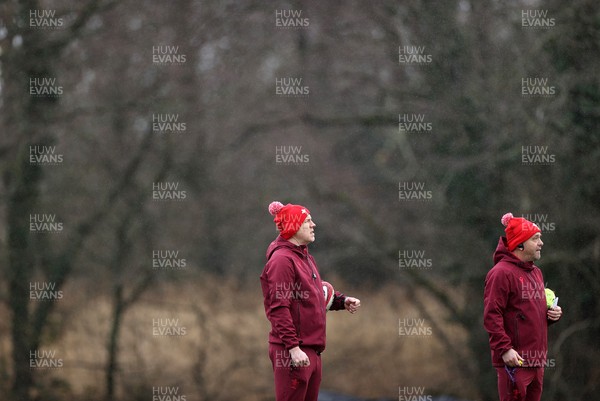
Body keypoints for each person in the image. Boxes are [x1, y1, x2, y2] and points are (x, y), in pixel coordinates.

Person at [260, 201, 361, 401]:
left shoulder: (305, 257)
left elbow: (313, 292)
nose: (313, 224)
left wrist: (341, 301)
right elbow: (278, 307)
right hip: (293, 352)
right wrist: (293, 348)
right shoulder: (282, 260)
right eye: (307, 221)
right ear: (294, 226)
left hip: (311, 350)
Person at [483, 213, 563, 401]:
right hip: (514, 362)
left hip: (537, 363)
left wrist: (550, 315)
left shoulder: (536, 272)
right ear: (520, 244)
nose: (541, 243)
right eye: (535, 239)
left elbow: (526, 315)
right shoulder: (500, 273)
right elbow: (491, 316)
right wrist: (505, 349)